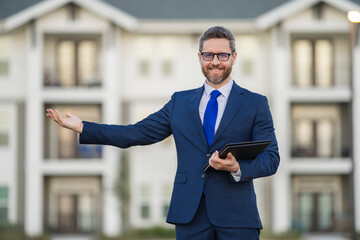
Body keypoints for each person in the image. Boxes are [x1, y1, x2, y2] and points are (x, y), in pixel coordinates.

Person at [46, 26, 279, 240]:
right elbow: (136, 133)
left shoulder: (255, 103)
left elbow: (271, 159)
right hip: (190, 215)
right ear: (199, 58)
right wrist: (83, 127)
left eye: (222, 55)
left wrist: (237, 168)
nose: (215, 61)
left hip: (238, 217)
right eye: (208, 55)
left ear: (234, 57)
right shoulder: (180, 102)